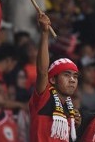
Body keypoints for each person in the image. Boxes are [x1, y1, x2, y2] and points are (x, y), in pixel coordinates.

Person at [29, 13, 81, 142]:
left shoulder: (70, 109)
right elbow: (42, 71)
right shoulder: (44, 95)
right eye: (66, 75)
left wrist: (76, 125)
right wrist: (45, 33)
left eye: (75, 76)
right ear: (52, 79)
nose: (72, 80)